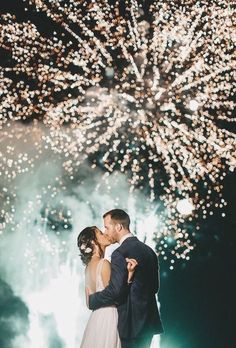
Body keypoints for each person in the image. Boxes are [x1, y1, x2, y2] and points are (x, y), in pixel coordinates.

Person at [89, 209, 164, 348]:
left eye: (107, 227)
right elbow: (155, 287)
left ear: (118, 227)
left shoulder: (120, 253)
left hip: (130, 324)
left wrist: (93, 300)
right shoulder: (149, 251)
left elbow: (115, 291)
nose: (105, 231)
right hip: (148, 323)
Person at [77, 225, 138, 348]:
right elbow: (116, 296)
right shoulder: (103, 264)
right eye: (100, 233)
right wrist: (130, 276)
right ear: (93, 242)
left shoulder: (87, 268)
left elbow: (89, 303)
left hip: (95, 320)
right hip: (109, 318)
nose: (105, 234)